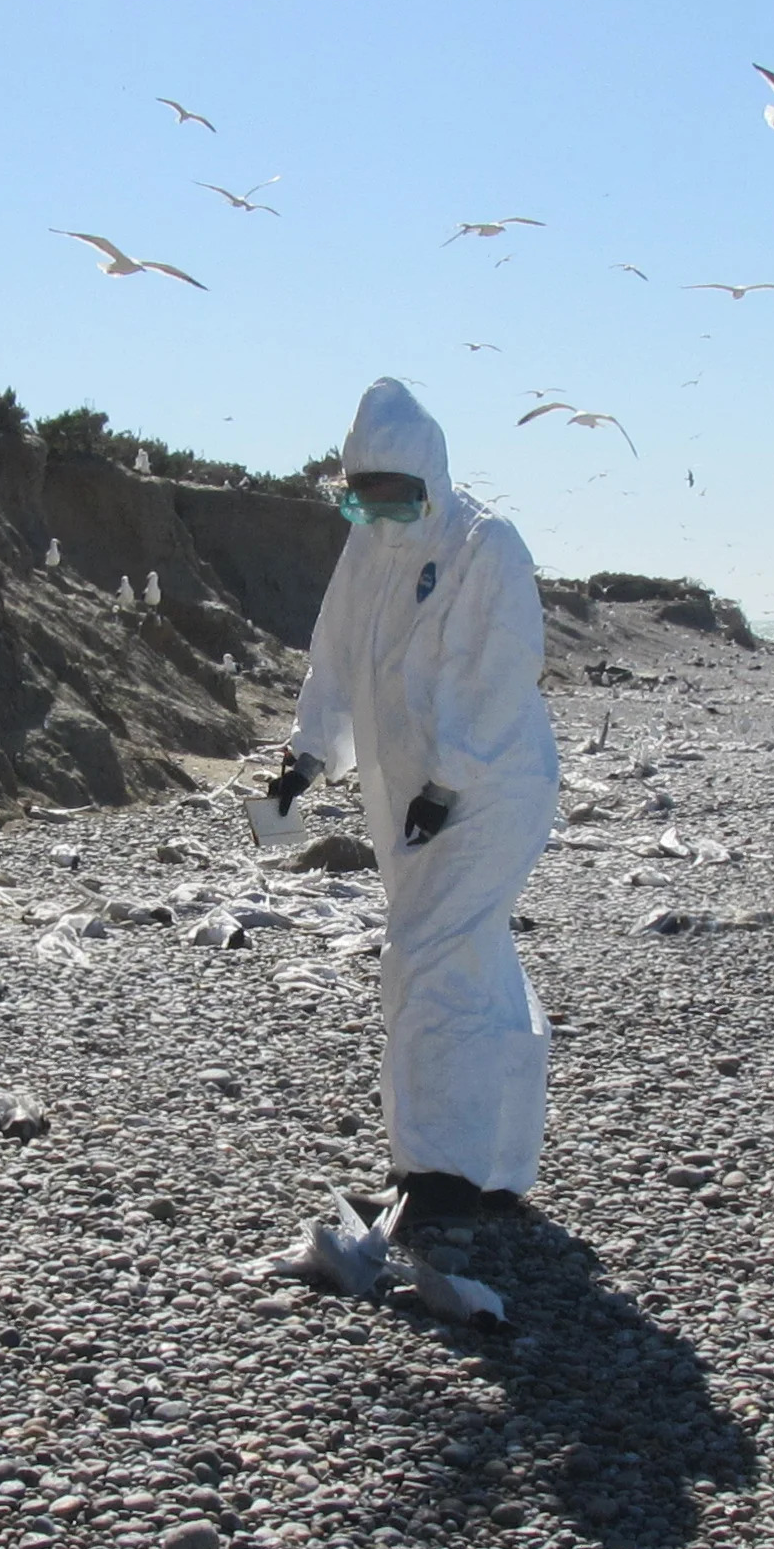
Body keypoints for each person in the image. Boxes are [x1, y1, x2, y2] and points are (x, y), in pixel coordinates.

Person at [268, 379, 561, 1219]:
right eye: (361, 499)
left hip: (492, 788)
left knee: (426, 955)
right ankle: (494, 1166)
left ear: (427, 478)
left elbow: (497, 674)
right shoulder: (370, 550)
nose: (378, 514)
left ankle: (433, 1176)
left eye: (393, 497)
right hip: (411, 800)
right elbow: (336, 659)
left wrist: (449, 782)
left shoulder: (483, 545)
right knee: (466, 957)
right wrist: (307, 757)